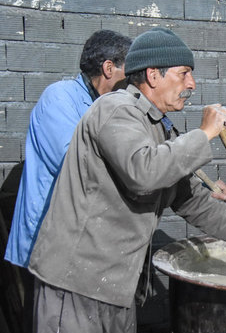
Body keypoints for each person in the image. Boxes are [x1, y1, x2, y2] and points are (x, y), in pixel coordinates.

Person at [27, 27, 226, 333]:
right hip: (78, 287)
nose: (192, 84)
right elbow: (144, 172)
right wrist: (203, 135)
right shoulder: (114, 109)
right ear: (153, 75)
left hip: (116, 291)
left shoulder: (157, 128)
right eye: (184, 73)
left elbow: (191, 200)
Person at [5, 30, 132, 268]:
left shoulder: (104, 105)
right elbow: (75, 164)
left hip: (77, 243)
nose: (132, 82)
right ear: (108, 68)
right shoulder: (59, 97)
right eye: (129, 72)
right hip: (45, 241)